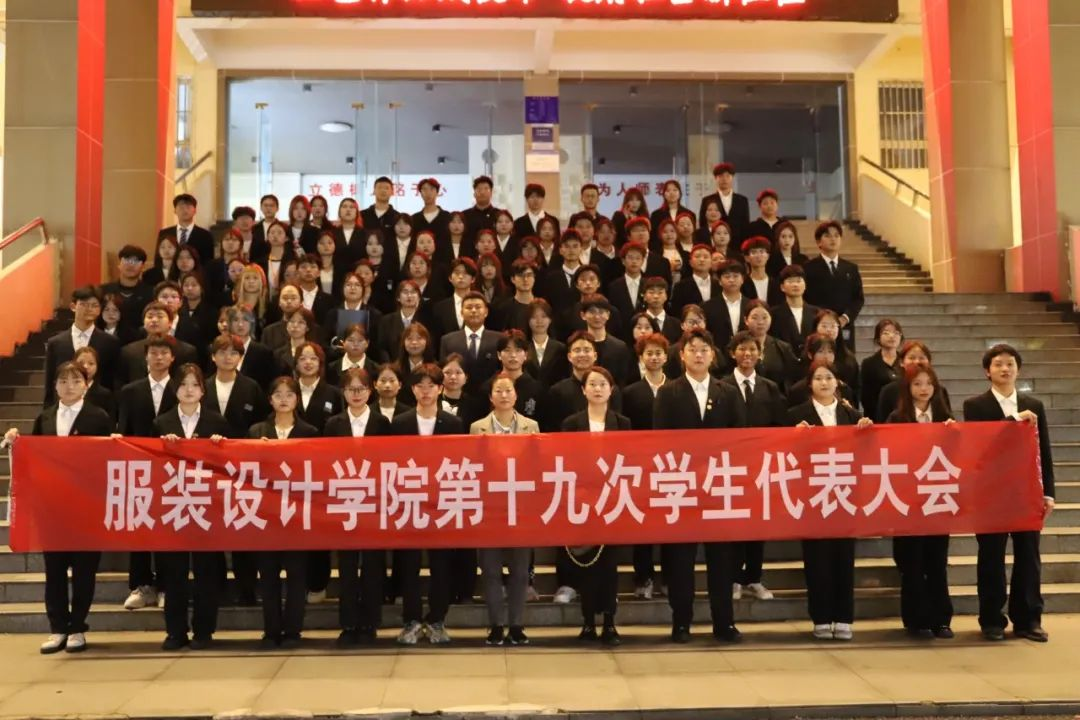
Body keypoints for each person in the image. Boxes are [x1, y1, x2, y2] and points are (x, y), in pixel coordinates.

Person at [4, 362, 112, 654]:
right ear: (54, 386)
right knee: (54, 571)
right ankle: (58, 627)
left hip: (87, 507)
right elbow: (33, 455)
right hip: (52, 508)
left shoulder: (98, 416)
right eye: (63, 381)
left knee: (84, 571)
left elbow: (108, 458)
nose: (69, 386)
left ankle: (77, 627)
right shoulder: (45, 417)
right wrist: (16, 441)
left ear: (86, 385)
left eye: (75, 380)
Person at [654, 328, 745, 643]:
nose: (698, 354)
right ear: (682, 355)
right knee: (681, 560)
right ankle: (681, 622)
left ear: (713, 355)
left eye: (704, 349)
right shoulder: (668, 392)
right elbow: (660, 439)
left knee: (722, 559)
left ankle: (724, 622)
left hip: (719, 485)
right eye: (692, 349)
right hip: (682, 485)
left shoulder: (728, 392)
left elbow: (740, 435)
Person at [963, 344, 1055, 643]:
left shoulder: (1034, 405)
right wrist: (1014, 421)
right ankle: (992, 619)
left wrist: (1048, 492)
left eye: (1010, 364)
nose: (1005, 369)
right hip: (990, 493)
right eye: (998, 364)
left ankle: (1029, 619)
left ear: (1018, 369)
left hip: (1026, 492)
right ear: (987, 371)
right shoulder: (975, 406)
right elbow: (981, 445)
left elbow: (1044, 451)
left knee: (1029, 555)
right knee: (991, 556)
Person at [789, 360, 873, 641]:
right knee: (816, 560)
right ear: (809, 384)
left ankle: (844, 617)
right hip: (812, 495)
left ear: (838, 382)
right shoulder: (796, 415)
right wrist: (793, 436)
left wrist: (867, 430)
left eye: (828, 378)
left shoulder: (852, 415)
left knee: (843, 558)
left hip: (844, 495)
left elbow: (868, 452)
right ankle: (821, 617)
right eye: (818, 378)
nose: (824, 383)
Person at [152, 364, 231, 651]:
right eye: (183, 384)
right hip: (172, 506)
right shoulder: (162, 422)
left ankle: (203, 631)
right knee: (173, 574)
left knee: (206, 574)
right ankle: (175, 632)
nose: (188, 390)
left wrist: (221, 446)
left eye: (194, 385)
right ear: (175, 389)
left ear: (202, 390)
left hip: (206, 507)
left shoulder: (216, 422)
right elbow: (147, 460)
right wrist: (163, 446)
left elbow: (229, 464)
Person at [388, 364, 466, 645]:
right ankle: (410, 620)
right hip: (409, 501)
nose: (425, 391)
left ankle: (436, 620)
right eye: (420, 386)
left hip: (441, 501)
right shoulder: (400, 423)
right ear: (412, 390)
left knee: (440, 565)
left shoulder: (453, 423)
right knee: (408, 564)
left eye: (431, 386)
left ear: (440, 389)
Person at [561, 366, 631, 646]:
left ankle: (610, 623)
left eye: (603, 384)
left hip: (613, 501)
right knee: (587, 566)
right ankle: (588, 621)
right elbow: (565, 460)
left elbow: (629, 460)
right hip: (583, 501)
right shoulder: (572, 423)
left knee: (609, 567)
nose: (598, 389)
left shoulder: (622, 422)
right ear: (584, 390)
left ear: (611, 390)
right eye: (592, 384)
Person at [885, 364, 956, 640]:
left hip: (938, 498)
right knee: (912, 562)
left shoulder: (945, 418)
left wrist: (955, 433)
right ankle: (917, 619)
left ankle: (942, 619)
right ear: (908, 388)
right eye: (917, 384)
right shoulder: (897, 418)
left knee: (937, 562)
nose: (924, 389)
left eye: (928, 383)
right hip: (908, 500)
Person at [323, 367, 393, 647]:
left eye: (361, 389)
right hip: (344, 500)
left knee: (374, 565)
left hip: (374, 501)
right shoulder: (333, 424)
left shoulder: (381, 423)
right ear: (343, 392)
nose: (356, 394)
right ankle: (348, 623)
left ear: (370, 392)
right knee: (348, 566)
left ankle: (370, 622)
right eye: (351, 389)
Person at [249, 376, 320, 648]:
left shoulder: (310, 432)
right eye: (278, 394)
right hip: (265, 515)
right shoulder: (256, 431)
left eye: (289, 394)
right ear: (270, 399)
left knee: (296, 576)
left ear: (297, 399)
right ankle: (271, 631)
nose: (283, 399)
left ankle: (292, 630)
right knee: (268, 576)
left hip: (297, 514)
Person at [470, 373, 540, 646]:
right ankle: (496, 625)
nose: (504, 395)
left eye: (508, 390)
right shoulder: (477, 427)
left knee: (520, 572)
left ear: (516, 395)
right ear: (491, 397)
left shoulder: (531, 426)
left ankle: (517, 624)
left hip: (521, 507)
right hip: (490, 508)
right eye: (498, 390)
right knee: (490, 570)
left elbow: (538, 464)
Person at [723, 331, 787, 602]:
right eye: (742, 349)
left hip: (761, 466)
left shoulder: (769, 387)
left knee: (757, 526)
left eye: (752, 349)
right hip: (730, 467)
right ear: (732, 353)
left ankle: (753, 577)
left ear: (760, 354)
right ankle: (733, 578)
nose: (747, 354)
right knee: (734, 526)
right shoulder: (721, 386)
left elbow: (779, 425)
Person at [117, 336, 179, 612]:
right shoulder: (130, 390)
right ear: (146, 357)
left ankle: (165, 586)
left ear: (172, 358)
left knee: (167, 531)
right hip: (139, 469)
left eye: (164, 353)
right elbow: (125, 429)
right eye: (154, 352)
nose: (159, 357)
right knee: (140, 530)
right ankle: (141, 586)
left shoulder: (182, 389)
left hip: (171, 471)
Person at [621, 332, 669, 599]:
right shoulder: (630, 392)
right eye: (649, 353)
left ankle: (670, 578)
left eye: (658, 353)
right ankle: (644, 578)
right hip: (641, 466)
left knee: (671, 523)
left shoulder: (677, 387)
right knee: (643, 525)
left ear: (666, 357)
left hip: (672, 466)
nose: (654, 358)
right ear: (641, 358)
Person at [44, 286, 120, 404]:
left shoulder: (110, 342)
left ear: (99, 310)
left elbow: (112, 381)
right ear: (73, 306)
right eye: (84, 304)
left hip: (98, 406)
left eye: (94, 305)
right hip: (63, 406)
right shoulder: (56, 343)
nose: (89, 309)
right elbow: (50, 383)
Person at [803, 221, 864, 350]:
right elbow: (805, 298)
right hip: (819, 325)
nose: (833, 239)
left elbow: (858, 298)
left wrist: (845, 318)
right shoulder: (808, 268)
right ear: (818, 242)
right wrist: (821, 318)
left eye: (836, 235)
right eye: (828, 235)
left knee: (845, 357)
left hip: (844, 325)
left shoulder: (851, 268)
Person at [874, 340, 952, 423]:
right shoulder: (888, 391)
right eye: (912, 358)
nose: (917, 362)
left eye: (922, 358)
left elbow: (946, 417)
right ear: (901, 362)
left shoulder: (940, 390)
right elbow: (883, 425)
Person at [438, 292, 500, 392]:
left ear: (486, 312)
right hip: (458, 394)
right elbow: (444, 372)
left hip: (490, 394)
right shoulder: (448, 340)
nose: (473, 310)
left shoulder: (499, 339)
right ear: (462, 312)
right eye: (469, 307)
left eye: (478, 307)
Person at [741, 300, 800, 392]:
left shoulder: (782, 347)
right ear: (746, 320)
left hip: (777, 396)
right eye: (755, 318)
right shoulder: (738, 346)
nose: (760, 322)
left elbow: (794, 376)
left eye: (765, 317)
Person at [579, 294, 631, 387]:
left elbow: (622, 381)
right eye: (592, 312)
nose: (597, 317)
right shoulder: (577, 346)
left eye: (601, 312)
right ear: (583, 315)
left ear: (608, 315)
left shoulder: (620, 347)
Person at [101, 244, 153, 333]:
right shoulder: (103, 291)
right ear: (119, 264)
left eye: (135, 261)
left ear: (143, 267)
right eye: (127, 260)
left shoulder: (151, 293)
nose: (131, 265)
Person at [769, 265, 819, 358]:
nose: (795, 285)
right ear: (782, 287)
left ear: (805, 285)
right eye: (790, 281)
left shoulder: (817, 313)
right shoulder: (773, 314)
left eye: (799, 281)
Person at [861, 318, 903, 423]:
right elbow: (866, 397)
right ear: (878, 338)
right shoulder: (869, 363)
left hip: (903, 416)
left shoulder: (905, 361)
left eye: (896, 333)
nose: (892, 336)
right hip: (877, 417)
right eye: (886, 333)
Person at [702, 260, 749, 353]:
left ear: (742, 279)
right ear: (719, 281)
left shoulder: (750, 305)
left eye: (735, 276)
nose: (731, 280)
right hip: (718, 355)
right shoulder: (707, 307)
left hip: (746, 353)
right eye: (727, 277)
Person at [698, 162, 750, 241]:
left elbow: (745, 225)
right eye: (721, 176)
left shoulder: (742, 200)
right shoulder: (707, 200)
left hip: (737, 243)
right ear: (715, 178)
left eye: (728, 176)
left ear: (732, 178)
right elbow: (703, 223)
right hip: (714, 241)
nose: (724, 179)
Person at [524, 299, 568, 390]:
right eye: (534, 317)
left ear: (550, 319)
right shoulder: (523, 347)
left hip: (554, 394)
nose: (539, 321)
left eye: (543, 316)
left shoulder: (560, 348)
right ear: (528, 320)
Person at [158, 193, 214, 264]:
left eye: (188, 207)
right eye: (181, 207)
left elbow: (208, 262)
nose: (185, 210)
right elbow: (158, 258)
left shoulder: (205, 235)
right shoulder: (164, 233)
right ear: (175, 210)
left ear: (195, 210)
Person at [431, 257, 477, 341]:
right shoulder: (440, 308)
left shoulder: (481, 305)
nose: (461, 276)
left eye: (465, 273)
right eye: (457, 273)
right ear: (450, 278)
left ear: (473, 279)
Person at [671, 244, 720, 316]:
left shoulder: (720, 285)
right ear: (690, 262)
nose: (702, 260)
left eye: (706, 257)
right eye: (697, 257)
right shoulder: (681, 286)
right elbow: (676, 312)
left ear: (711, 263)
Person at [326, 322, 379, 387]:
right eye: (351, 340)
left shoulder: (376, 369)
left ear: (367, 343)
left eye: (360, 340)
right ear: (343, 342)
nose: (355, 344)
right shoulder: (331, 368)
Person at [73, 346, 116, 421]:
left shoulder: (105, 395)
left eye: (91, 363)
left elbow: (110, 421)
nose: (85, 366)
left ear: (97, 366)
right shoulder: (64, 389)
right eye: (81, 363)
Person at [741, 236, 783, 306]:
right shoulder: (742, 283)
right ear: (747, 258)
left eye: (762, 252)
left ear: (768, 256)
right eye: (754, 252)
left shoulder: (776, 283)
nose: (758, 256)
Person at [649, 179, 693, 244]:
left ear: (680, 193)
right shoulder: (656, 215)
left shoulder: (689, 213)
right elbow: (654, 237)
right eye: (668, 190)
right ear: (664, 194)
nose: (671, 193)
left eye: (675, 190)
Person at [412, 177, 451, 247]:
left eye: (432, 189)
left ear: (437, 192)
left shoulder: (447, 217)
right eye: (424, 189)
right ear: (420, 193)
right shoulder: (414, 218)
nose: (428, 193)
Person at [463, 175, 501, 244]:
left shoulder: (499, 215)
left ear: (491, 193)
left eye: (486, 189)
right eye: (479, 189)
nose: (482, 192)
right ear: (474, 194)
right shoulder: (465, 215)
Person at [249, 194, 281, 264]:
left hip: (278, 262)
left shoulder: (283, 228)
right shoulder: (255, 228)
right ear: (261, 208)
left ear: (277, 208)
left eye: (271, 205)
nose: (268, 208)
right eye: (265, 205)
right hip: (258, 264)